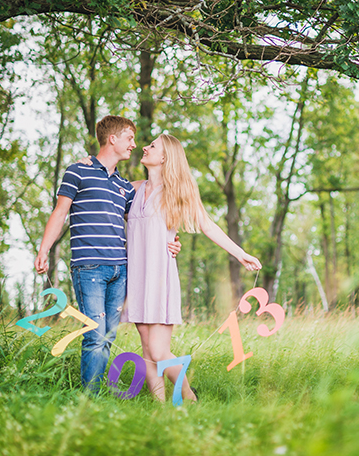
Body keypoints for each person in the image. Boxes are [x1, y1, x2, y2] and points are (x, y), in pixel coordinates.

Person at [34, 116, 180, 393]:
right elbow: (60, 212)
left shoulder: (125, 187)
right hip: (89, 267)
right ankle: (89, 399)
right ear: (112, 138)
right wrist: (44, 248)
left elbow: (147, 216)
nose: (134, 145)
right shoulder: (77, 172)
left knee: (108, 335)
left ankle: (96, 394)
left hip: (121, 271)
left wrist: (173, 240)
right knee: (95, 334)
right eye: (129, 138)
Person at [117, 133, 262, 402]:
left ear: (164, 157)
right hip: (136, 277)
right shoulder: (133, 188)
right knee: (147, 351)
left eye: (152, 146)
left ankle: (190, 398)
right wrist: (88, 164)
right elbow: (102, 186)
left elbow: (207, 225)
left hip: (159, 276)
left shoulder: (176, 193)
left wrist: (241, 254)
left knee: (160, 351)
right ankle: (160, 408)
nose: (145, 148)